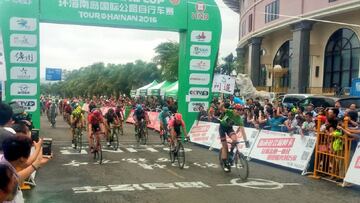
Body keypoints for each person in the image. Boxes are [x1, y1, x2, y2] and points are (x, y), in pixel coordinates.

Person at [1, 136, 51, 202]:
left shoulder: (5, 162)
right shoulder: (6, 174)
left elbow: (18, 176)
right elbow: (10, 195)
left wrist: (37, 160)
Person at [218, 104, 250, 172]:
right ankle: (225, 164)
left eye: (240, 110)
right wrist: (223, 103)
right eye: (237, 109)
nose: (239, 111)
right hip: (222, 128)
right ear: (234, 109)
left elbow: (243, 131)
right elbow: (220, 108)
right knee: (225, 146)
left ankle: (231, 152)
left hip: (229, 128)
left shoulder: (239, 119)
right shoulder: (229, 111)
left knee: (235, 140)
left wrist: (246, 140)